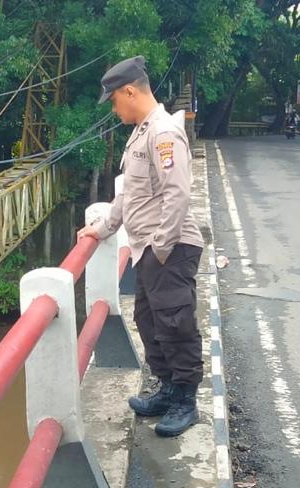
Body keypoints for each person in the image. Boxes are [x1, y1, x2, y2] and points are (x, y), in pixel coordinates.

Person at [77, 55, 205, 438]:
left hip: (169, 247)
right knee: (150, 322)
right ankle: (167, 390)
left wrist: (161, 248)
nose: (113, 109)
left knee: (175, 323)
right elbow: (129, 194)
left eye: (114, 100)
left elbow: (177, 193)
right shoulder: (141, 132)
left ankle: (186, 402)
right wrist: (102, 229)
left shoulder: (163, 133)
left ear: (130, 91)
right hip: (148, 249)